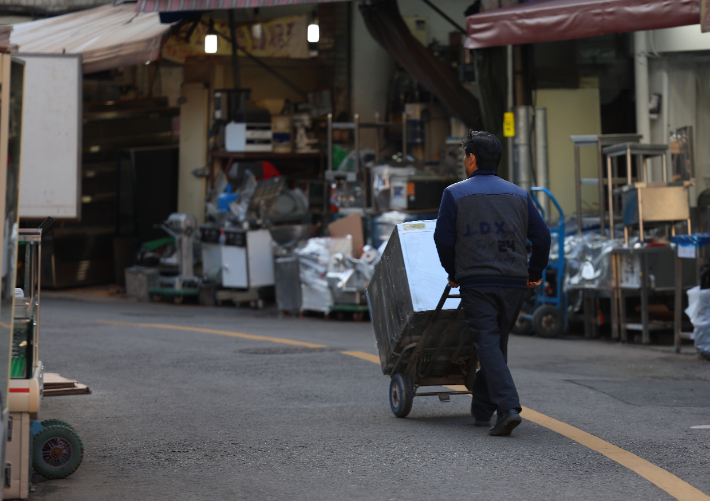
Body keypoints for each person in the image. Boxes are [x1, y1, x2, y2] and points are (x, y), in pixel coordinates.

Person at [434, 130, 551, 436]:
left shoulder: (454, 193)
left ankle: (509, 408)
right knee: (495, 344)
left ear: (471, 159)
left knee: (487, 342)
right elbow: (542, 236)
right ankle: (483, 408)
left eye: (464, 155)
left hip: (477, 280)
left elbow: (443, 239)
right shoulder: (519, 194)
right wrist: (534, 271)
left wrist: (453, 271)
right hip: (514, 282)